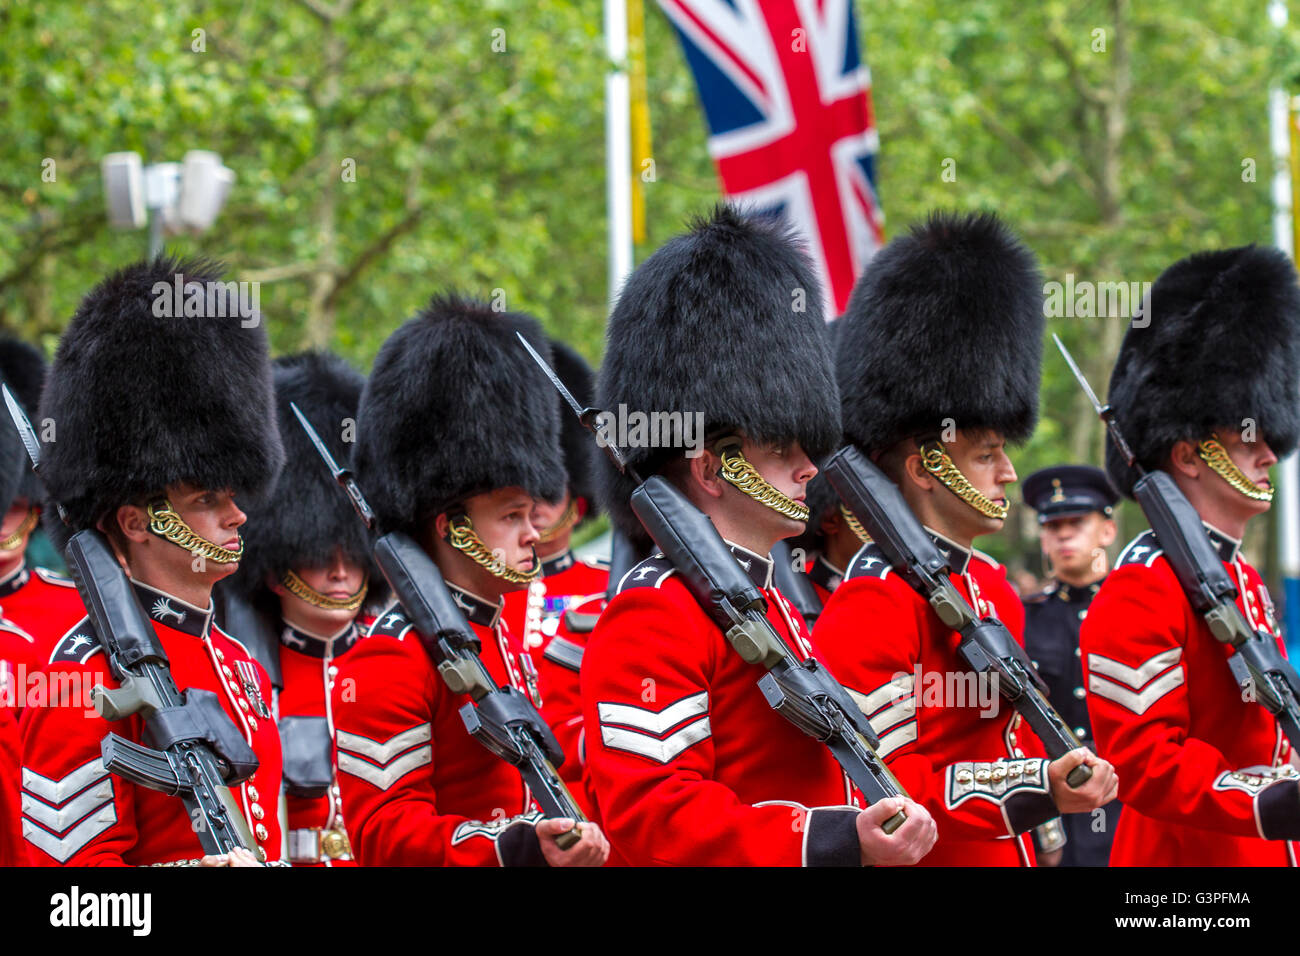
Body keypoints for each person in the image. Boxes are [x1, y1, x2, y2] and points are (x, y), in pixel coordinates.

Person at [582, 205, 937, 866]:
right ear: (712, 466)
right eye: (780, 449)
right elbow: (657, 815)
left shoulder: (774, 603)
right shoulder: (656, 613)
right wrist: (830, 839)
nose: (809, 467)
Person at [815, 211, 1118, 866]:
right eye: (985, 455)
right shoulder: (872, 602)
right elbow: (887, 782)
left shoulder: (991, 588)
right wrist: (1037, 788)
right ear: (927, 467)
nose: (1009, 471)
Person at [19, 257, 285, 866]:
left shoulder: (236, 660)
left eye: (232, 495)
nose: (237, 516)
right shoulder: (82, 673)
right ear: (137, 522)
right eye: (206, 500)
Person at [332, 294, 609, 867]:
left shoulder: (499, 636)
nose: (533, 532)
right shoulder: (391, 656)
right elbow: (384, 833)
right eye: (511, 516)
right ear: (451, 525)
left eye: (530, 512)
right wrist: (509, 849)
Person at [1081, 244, 1300, 865]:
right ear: (1189, 454)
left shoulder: (1244, 580)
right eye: (1249, 433)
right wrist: (1271, 802)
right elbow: (1146, 760)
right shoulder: (1142, 585)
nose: (1269, 454)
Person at [222, 351, 372, 866]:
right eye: (317, 556)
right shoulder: (243, 672)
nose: (340, 572)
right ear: (276, 566)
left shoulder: (391, 656)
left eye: (353, 554)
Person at [501, 339, 607, 794]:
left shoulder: (609, 587)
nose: (535, 505)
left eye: (550, 489)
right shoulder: (481, 599)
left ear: (578, 501)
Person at [1021, 464, 1123, 865]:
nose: (1063, 533)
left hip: (1127, 800)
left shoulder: (1137, 612)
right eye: (1053, 524)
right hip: (1053, 803)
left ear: (1108, 531)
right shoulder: (1022, 618)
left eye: (1077, 522)